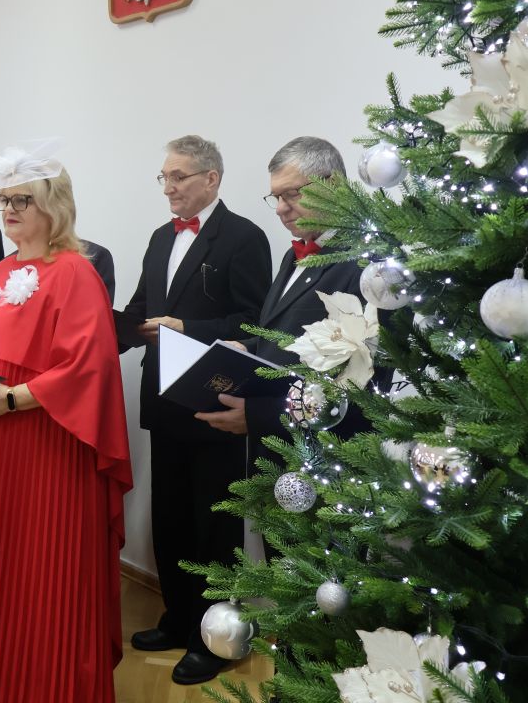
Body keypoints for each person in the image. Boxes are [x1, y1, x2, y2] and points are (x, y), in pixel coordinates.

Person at [0, 154, 133, 703]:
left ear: (54, 204)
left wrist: (12, 399)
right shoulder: (0, 272)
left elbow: (88, 367)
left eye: (21, 199)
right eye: (3, 199)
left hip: (49, 444)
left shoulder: (75, 271)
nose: (8, 210)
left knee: (45, 570)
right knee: (2, 568)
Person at [121, 135, 272, 686]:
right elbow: (143, 306)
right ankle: (179, 617)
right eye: (164, 177)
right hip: (163, 398)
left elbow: (255, 321)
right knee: (170, 519)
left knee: (215, 526)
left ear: (212, 178)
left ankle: (214, 637)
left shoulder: (245, 237)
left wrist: (188, 328)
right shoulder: (161, 237)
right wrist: (107, 330)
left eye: (179, 176)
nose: (169, 187)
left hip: (214, 402)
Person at [196, 136, 378, 455]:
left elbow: (366, 381)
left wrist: (262, 416)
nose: (280, 208)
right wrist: (246, 347)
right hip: (275, 455)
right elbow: (290, 337)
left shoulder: (369, 264)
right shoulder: (292, 256)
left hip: (326, 457)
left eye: (292, 194)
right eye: (276, 197)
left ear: (334, 184)